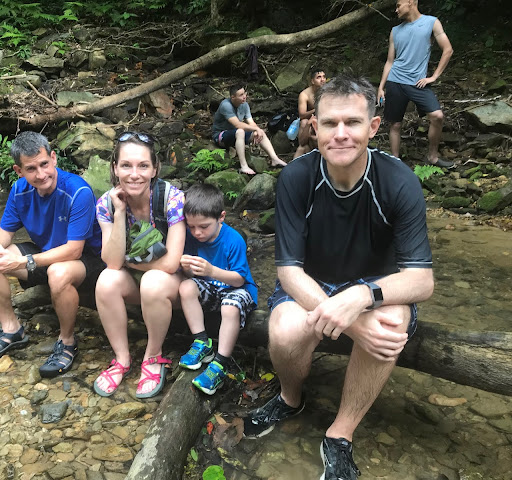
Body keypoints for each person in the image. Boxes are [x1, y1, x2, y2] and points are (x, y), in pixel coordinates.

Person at [243, 76, 435, 480]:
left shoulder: (399, 181)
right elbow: (289, 270)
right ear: (315, 126)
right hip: (313, 280)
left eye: (353, 122)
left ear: (374, 126)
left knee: (391, 322)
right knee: (285, 329)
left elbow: (421, 280)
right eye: (330, 123)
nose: (341, 134)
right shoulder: (297, 177)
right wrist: (350, 322)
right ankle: (290, 397)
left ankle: (340, 433)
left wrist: (362, 297)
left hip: (375, 285)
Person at [0, 131, 104, 378]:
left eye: (44, 164)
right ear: (19, 170)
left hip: (87, 260)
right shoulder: (19, 190)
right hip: (46, 254)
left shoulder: (78, 191)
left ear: (53, 158)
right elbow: (4, 232)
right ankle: (12, 330)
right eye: (31, 169)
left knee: (58, 272)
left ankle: (67, 341)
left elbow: (74, 249)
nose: (41, 174)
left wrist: (23, 261)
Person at [93, 131, 186, 399]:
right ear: (115, 168)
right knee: (106, 280)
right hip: (139, 281)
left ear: (155, 169)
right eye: (126, 165)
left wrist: (128, 263)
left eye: (143, 166)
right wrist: (120, 212)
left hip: (175, 285)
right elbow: (112, 263)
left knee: (153, 281)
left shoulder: (172, 199)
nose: (135, 175)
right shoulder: (106, 204)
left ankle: (153, 356)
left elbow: (171, 263)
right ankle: (122, 359)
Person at [178, 183, 258, 395]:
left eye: (204, 226)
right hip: (212, 289)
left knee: (230, 306)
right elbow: (191, 277)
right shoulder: (191, 238)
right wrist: (186, 268)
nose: (197, 232)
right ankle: (202, 342)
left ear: (221, 217)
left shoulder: (233, 240)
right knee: (186, 287)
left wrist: (211, 271)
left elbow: (239, 280)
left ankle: (221, 363)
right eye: (191, 226)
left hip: (237, 290)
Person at [377, 0, 454, 168]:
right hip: (395, 81)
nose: (396, 10)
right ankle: (395, 162)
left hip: (418, 83)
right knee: (395, 124)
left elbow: (448, 50)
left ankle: (432, 157)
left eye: (398, 5)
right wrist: (381, 87)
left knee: (437, 116)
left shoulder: (431, 22)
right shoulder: (395, 31)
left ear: (411, 2)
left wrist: (434, 76)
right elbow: (390, 61)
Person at [212, 84, 287, 175]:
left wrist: (256, 130)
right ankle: (244, 166)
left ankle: (275, 159)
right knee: (240, 131)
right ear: (233, 97)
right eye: (241, 95)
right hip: (220, 136)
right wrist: (255, 129)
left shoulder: (244, 105)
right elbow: (237, 124)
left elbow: (251, 122)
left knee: (260, 132)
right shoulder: (226, 105)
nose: (244, 96)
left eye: (244, 93)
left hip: (236, 135)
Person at [294, 67, 327, 158]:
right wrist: (316, 110)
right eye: (319, 77)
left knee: (307, 147)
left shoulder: (328, 92)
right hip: (310, 122)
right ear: (312, 81)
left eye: (324, 77)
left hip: (324, 121)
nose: (322, 80)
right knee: (304, 123)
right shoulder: (305, 94)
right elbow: (302, 115)